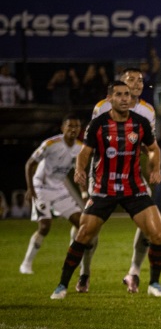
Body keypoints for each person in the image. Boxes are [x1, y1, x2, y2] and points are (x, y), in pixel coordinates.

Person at [51, 80, 161, 299]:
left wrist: (156, 168)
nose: (125, 98)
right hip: (104, 187)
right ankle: (62, 284)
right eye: (120, 95)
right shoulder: (98, 124)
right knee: (84, 233)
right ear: (110, 99)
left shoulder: (141, 122)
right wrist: (79, 170)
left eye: (127, 95)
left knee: (158, 233)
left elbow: (153, 149)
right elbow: (85, 152)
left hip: (133, 187)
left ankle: (154, 283)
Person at [92, 67, 159, 294]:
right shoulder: (102, 107)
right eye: (132, 79)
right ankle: (84, 273)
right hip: (102, 175)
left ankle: (134, 272)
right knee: (88, 228)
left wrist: (153, 167)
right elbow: (92, 143)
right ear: (119, 85)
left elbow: (150, 145)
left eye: (141, 80)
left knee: (149, 223)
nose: (138, 83)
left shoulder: (148, 111)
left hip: (132, 175)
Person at [20, 115, 98, 293]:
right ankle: (26, 263)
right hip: (41, 187)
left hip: (59, 189)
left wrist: (85, 193)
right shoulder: (51, 144)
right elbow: (30, 164)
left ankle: (76, 259)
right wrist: (30, 189)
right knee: (45, 226)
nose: (73, 129)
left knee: (82, 225)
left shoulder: (80, 148)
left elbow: (79, 173)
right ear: (63, 128)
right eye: (70, 126)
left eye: (77, 126)